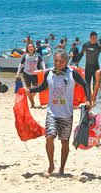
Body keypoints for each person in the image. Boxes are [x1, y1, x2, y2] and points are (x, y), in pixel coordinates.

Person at [26, 49, 91, 177]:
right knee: (49, 137)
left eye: (61, 61)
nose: (57, 63)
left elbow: (85, 84)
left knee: (64, 142)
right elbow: (43, 86)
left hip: (67, 114)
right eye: (55, 60)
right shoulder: (49, 73)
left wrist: (88, 100)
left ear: (66, 62)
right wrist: (31, 90)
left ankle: (61, 168)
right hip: (52, 112)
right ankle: (51, 165)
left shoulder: (73, 74)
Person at [16, 43, 45, 107]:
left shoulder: (37, 56)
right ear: (27, 49)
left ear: (34, 48)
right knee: (28, 89)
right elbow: (20, 65)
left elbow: (42, 62)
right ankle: (32, 104)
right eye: (29, 47)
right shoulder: (25, 56)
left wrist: (44, 70)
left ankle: (30, 97)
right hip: (26, 74)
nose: (30, 48)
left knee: (35, 90)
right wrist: (17, 73)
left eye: (32, 47)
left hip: (35, 74)